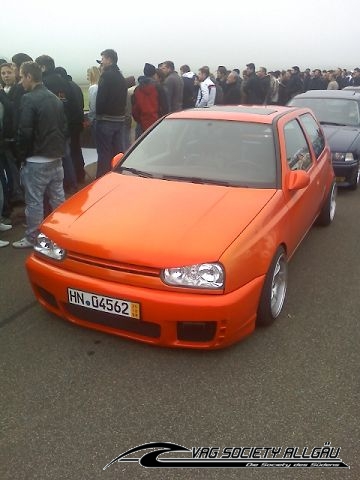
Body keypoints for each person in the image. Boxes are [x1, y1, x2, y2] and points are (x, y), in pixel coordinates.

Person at [12, 61, 66, 248]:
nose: (20, 82)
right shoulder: (54, 98)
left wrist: (21, 156)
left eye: (21, 77)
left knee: (34, 202)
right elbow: (63, 128)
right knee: (58, 198)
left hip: (36, 160)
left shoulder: (28, 99)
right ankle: (62, 232)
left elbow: (25, 132)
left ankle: (32, 237)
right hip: (56, 158)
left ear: (29, 76)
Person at [35, 54, 77, 193]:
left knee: (54, 160)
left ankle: (57, 188)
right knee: (66, 156)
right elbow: (71, 104)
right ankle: (72, 184)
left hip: (51, 127)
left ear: (42, 67)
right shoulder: (65, 82)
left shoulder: (43, 83)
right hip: (65, 124)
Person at [95, 49, 128, 178]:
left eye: (102, 59)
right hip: (119, 119)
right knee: (117, 153)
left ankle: (102, 179)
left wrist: (98, 115)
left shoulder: (106, 76)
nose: (101, 62)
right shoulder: (120, 76)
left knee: (104, 153)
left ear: (109, 59)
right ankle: (117, 176)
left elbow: (101, 99)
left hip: (106, 120)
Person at [132, 63, 168, 138]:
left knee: (141, 147)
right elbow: (165, 107)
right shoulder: (159, 88)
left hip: (141, 124)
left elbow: (135, 108)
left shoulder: (137, 89)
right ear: (154, 74)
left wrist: (139, 120)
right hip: (157, 123)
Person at [86, 66, 100, 144]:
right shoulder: (100, 86)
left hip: (95, 119)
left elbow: (93, 106)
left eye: (88, 75)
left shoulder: (93, 88)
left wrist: (90, 118)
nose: (87, 77)